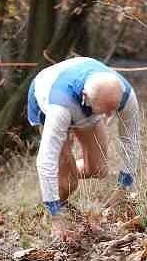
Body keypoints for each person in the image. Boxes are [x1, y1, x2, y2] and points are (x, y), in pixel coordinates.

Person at [27, 57, 140, 242]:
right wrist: (56, 217)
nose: (109, 117)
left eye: (113, 110)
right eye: (104, 111)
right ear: (86, 98)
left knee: (99, 169)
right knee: (67, 184)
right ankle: (57, 200)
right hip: (49, 95)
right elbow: (45, 159)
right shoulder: (60, 107)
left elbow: (131, 139)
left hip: (85, 100)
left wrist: (124, 187)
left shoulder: (125, 94)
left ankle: (63, 175)